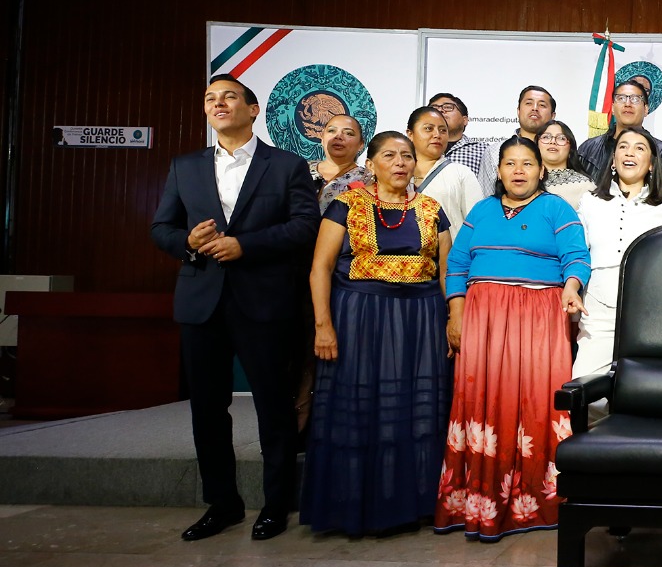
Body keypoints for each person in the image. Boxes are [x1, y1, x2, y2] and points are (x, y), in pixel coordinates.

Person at [150, 74, 319, 542]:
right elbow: (161, 228)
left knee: (273, 406)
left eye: (229, 97)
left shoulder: (286, 165)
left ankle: (276, 505)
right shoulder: (185, 165)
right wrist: (187, 241)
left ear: (253, 109)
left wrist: (246, 245)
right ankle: (222, 504)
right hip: (201, 300)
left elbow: (305, 225)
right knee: (207, 408)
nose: (218, 103)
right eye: (210, 98)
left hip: (264, 301)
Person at [436, 136, 591, 540]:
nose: (518, 171)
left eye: (527, 163)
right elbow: (457, 264)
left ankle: (536, 503)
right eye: (510, 163)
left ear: (541, 170)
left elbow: (577, 257)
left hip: (539, 316)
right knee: (483, 402)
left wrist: (572, 287)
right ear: (499, 170)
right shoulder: (482, 210)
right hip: (483, 318)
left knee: (539, 402)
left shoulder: (556, 208)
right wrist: (456, 314)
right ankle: (479, 502)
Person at [302, 131, 452, 537]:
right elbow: (320, 268)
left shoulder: (431, 209)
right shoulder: (345, 205)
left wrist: (451, 321)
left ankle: (411, 505)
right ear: (370, 164)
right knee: (359, 409)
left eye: (406, 156)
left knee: (413, 412)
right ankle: (353, 508)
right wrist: (323, 325)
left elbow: (446, 273)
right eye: (389, 155)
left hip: (420, 322)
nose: (400, 163)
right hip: (359, 318)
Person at [574, 127, 662, 386]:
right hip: (598, 312)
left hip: (650, 313)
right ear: (613, 160)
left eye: (639, 148)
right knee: (583, 388)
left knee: (645, 392)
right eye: (623, 147)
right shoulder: (589, 202)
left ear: (651, 164)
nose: (629, 153)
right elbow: (577, 253)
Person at [576, 77, 662, 183]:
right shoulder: (588, 149)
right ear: (612, 108)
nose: (627, 104)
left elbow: (661, 191)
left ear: (646, 109)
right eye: (621, 98)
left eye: (635, 99)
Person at [408, 105, 484, 231]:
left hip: (452, 244)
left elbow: (478, 224)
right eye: (428, 129)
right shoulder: (398, 173)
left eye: (443, 130)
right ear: (410, 134)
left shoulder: (461, 173)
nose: (437, 135)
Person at [429, 92, 495, 195]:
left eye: (448, 107)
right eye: (434, 108)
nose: (440, 110)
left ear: (465, 120)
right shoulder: (415, 148)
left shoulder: (484, 150)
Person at [308, 114, 373, 213]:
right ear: (322, 139)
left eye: (349, 133)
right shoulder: (301, 169)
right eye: (331, 131)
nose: (338, 136)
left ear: (361, 145)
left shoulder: (368, 179)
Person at [535, 119, 594, 206]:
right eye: (546, 137)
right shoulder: (526, 180)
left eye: (561, 138)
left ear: (571, 148)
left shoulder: (585, 185)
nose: (553, 142)